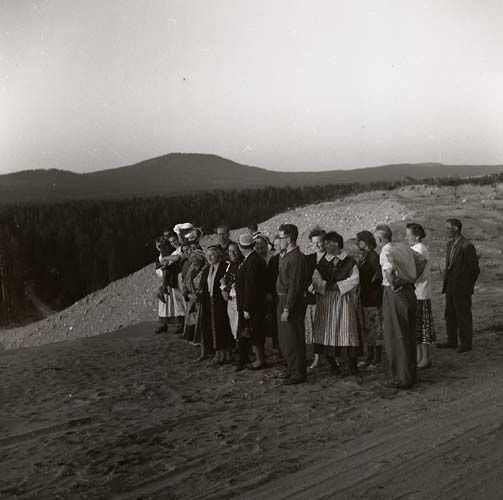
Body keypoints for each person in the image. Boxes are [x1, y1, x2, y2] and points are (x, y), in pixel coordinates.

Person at [375, 224, 426, 389]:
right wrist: (410, 278)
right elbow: (422, 261)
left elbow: (388, 272)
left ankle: (402, 377)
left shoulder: (386, 251)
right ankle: (410, 374)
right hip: (410, 291)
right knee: (409, 334)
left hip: (395, 293)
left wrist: (395, 283)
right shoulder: (404, 247)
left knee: (397, 336)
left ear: (380, 238)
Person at [311, 231, 362, 380]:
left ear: (336, 244)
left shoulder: (349, 261)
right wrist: (326, 285)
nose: (324, 245)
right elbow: (315, 279)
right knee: (326, 330)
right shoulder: (322, 262)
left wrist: (337, 286)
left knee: (347, 328)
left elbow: (355, 279)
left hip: (344, 299)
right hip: (326, 300)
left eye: (327, 243)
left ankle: (353, 366)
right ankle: (334, 366)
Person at [438, 218, 480, 353]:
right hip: (450, 285)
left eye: (447, 228)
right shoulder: (450, 244)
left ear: (455, 228)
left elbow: (474, 270)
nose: (445, 231)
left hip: (461, 287)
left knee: (463, 315)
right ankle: (452, 341)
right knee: (450, 313)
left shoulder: (467, 246)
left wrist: (467, 284)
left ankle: (466, 343)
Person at [276, 224, 309, 385]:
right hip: (283, 298)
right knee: (286, 338)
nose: (278, 241)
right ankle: (291, 367)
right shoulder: (288, 255)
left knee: (293, 336)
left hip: (290, 300)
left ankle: (298, 372)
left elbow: (294, 285)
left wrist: (287, 307)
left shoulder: (296, 258)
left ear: (288, 239)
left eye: (280, 237)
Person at [235, 233, 269, 371]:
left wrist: (247, 308)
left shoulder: (252, 261)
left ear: (240, 246)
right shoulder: (254, 259)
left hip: (252, 304)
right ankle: (257, 359)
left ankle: (260, 360)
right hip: (255, 303)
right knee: (253, 331)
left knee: (254, 331)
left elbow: (251, 286)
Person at [405, 223, 435, 368]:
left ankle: (426, 358)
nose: (406, 238)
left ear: (416, 236)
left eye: (408, 235)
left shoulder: (420, 250)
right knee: (416, 326)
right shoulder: (413, 249)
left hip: (420, 292)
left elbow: (417, 272)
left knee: (423, 326)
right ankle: (419, 356)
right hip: (415, 291)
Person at [200, 245, 234, 364]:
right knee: (214, 327)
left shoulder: (225, 267)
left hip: (222, 302)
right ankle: (218, 354)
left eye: (212, 254)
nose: (209, 257)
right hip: (210, 302)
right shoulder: (207, 269)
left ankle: (227, 354)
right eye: (207, 255)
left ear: (219, 254)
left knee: (223, 326)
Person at [356, 230, 383, 368]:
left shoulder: (373, 256)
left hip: (373, 298)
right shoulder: (367, 255)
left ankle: (376, 358)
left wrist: (371, 286)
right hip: (367, 296)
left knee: (375, 328)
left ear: (365, 242)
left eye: (359, 241)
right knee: (368, 328)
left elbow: (378, 276)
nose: (357, 243)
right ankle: (370, 356)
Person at [304, 228, 327, 371]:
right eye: (315, 243)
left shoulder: (332, 258)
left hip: (328, 298)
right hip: (312, 299)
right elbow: (304, 277)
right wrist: (308, 286)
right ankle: (317, 358)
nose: (318, 245)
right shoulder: (309, 259)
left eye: (320, 242)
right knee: (315, 329)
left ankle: (334, 358)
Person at [181, 249, 207, 345]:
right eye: (192, 257)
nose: (193, 259)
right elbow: (184, 284)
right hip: (191, 300)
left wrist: (198, 296)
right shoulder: (190, 270)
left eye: (196, 257)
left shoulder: (205, 270)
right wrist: (187, 294)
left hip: (201, 300)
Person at [220, 242, 244, 345]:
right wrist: (224, 289)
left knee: (238, 325)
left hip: (239, 298)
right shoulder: (229, 265)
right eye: (230, 251)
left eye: (234, 250)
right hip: (230, 298)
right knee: (232, 323)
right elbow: (223, 280)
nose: (232, 253)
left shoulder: (243, 263)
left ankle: (243, 350)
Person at [266, 235, 282, 353]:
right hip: (275, 294)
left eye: (278, 244)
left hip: (285, 294)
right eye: (275, 245)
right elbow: (269, 278)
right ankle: (278, 346)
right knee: (275, 321)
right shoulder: (273, 260)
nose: (276, 247)